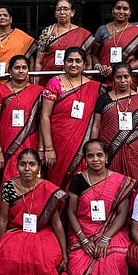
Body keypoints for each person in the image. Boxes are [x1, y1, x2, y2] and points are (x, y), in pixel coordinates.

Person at [0, 149, 69, 275]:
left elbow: (56, 223)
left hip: (42, 231)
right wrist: (0, 249)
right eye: (23, 164)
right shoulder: (8, 187)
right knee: (10, 254)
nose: (27, 169)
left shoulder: (47, 188)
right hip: (17, 231)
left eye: (32, 164)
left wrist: (64, 254)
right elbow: (3, 220)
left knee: (49, 256)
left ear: (38, 167)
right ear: (17, 166)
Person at [65, 140, 136, 275]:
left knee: (116, 257)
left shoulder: (119, 181)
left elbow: (122, 213)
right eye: (90, 156)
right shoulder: (78, 180)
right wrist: (83, 239)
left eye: (99, 155)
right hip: (84, 229)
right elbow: (71, 212)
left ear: (106, 157)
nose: (95, 159)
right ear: (85, 159)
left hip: (112, 229)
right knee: (77, 266)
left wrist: (106, 238)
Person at [40, 47, 101, 190]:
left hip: (82, 145)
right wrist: (48, 148)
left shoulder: (94, 87)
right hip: (58, 144)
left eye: (78, 61)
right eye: (70, 61)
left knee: (80, 184)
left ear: (85, 64)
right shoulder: (54, 83)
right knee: (57, 183)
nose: (74, 64)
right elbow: (44, 116)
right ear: (64, 63)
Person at [92, 62, 138, 191]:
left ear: (131, 78)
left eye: (126, 77)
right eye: (118, 77)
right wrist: (92, 148)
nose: (123, 81)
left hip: (136, 151)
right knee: (112, 187)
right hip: (111, 149)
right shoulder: (103, 99)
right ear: (113, 79)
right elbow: (96, 126)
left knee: (137, 185)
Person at [0, 55, 43, 181]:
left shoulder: (38, 91)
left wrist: (42, 148)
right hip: (7, 142)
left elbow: (42, 121)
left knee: (31, 174)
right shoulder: (0, 91)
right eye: (17, 68)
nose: (21, 71)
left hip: (31, 140)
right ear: (10, 71)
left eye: (24, 67)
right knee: (9, 176)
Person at [91, 0, 138, 81]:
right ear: (112, 10)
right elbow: (94, 54)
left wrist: (124, 69)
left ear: (130, 13)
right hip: (104, 76)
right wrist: (98, 66)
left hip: (126, 79)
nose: (121, 12)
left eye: (125, 9)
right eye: (118, 8)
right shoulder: (102, 30)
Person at [34, 0, 94, 75]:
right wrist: (38, 84)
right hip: (49, 79)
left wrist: (87, 81)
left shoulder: (83, 34)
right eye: (59, 9)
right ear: (55, 13)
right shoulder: (47, 32)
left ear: (72, 12)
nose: (62, 12)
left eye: (65, 9)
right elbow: (39, 62)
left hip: (75, 79)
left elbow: (88, 63)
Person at [0, 6, 35, 79]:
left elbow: (30, 61)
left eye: (5, 15)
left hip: (19, 79)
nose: (2, 17)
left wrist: (31, 79)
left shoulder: (23, 36)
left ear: (10, 19)